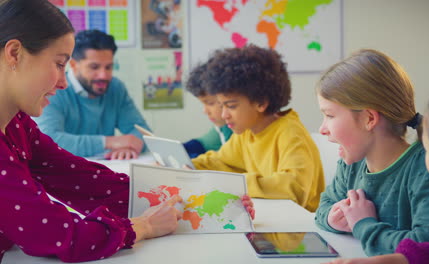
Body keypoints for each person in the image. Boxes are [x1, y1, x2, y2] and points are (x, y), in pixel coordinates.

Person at [0, 0, 254, 262]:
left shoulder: (18, 124)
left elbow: (83, 179)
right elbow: (64, 236)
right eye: (59, 64)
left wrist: (209, 203)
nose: (63, 82)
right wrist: (142, 226)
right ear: (15, 53)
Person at [314, 49, 429, 256]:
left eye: (329, 115)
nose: (322, 128)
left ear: (369, 119)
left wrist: (363, 225)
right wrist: (332, 218)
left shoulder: (428, 169)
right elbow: (325, 204)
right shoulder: (351, 163)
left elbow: (428, 248)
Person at [192, 45, 325, 212]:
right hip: (271, 219)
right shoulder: (246, 131)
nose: (224, 114)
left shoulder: (290, 133)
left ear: (261, 103)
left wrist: (239, 183)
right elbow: (221, 162)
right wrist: (188, 166)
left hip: (299, 229)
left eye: (231, 106)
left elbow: (295, 187)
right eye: (221, 106)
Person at [34, 29, 152, 160]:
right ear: (73, 65)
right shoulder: (54, 90)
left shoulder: (115, 88)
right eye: (94, 67)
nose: (103, 75)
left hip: (105, 170)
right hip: (62, 174)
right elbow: (47, 142)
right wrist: (110, 142)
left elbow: (144, 133)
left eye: (108, 67)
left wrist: (129, 147)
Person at [183, 61, 233, 158]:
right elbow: (204, 143)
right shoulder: (223, 126)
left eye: (210, 103)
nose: (205, 111)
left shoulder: (238, 129)